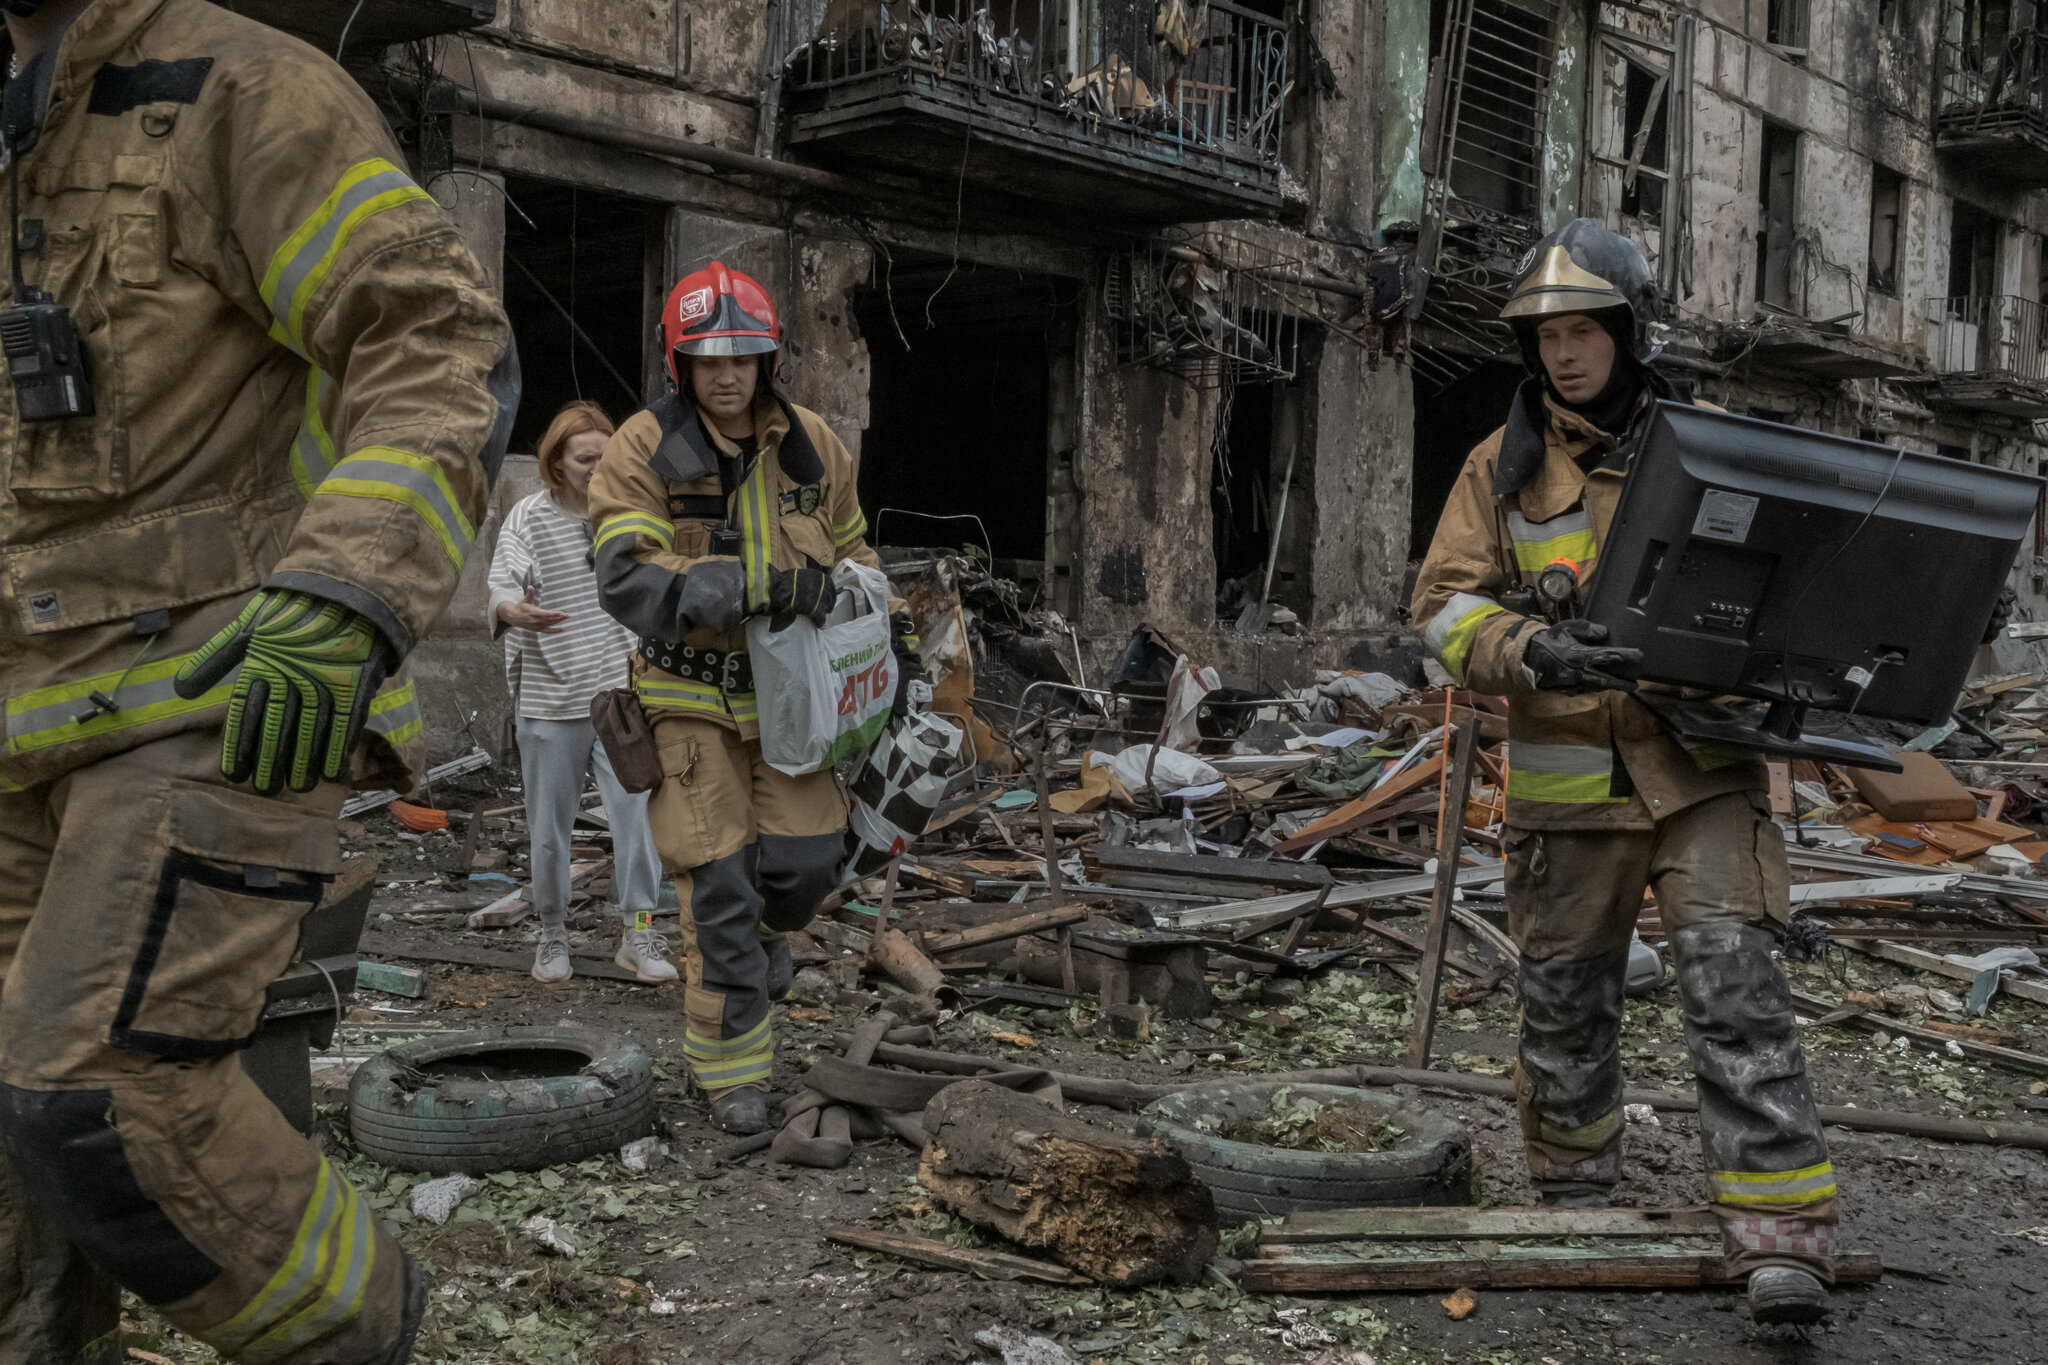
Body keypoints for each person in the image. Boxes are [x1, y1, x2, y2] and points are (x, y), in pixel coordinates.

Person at [0, 0, 514, 1360]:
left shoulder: (244, 89)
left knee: (98, 1099)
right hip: (21, 726)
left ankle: (372, 1335)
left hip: (223, 687)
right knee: (11, 1164)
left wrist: (348, 590)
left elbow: (438, 342)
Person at [1410, 220, 1838, 1326]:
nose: (1562, 352)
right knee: (1562, 1007)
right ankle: (1572, 1200)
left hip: (1701, 771)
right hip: (1567, 783)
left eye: (1583, 328)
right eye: (1545, 333)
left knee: (1736, 991)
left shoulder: (1712, 445)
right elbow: (1440, 611)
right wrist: (1527, 646)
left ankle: (1778, 1238)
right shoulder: (1494, 473)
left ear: (1626, 329)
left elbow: (1798, 585)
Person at [588, 261, 916, 1136]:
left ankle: (773, 939)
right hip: (686, 697)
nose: (726, 374)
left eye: (743, 357)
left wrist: (895, 627)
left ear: (769, 362)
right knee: (718, 883)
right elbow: (625, 575)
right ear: (680, 365)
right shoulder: (639, 449)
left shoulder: (816, 443)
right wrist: (755, 586)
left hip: (795, 704)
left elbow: (855, 553)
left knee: (807, 869)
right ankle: (732, 1070)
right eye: (707, 360)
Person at [490, 402, 674, 986]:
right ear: (557, 462)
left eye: (605, 456)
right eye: (584, 457)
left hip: (620, 696)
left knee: (639, 825)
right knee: (549, 834)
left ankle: (639, 931)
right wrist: (511, 609)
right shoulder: (528, 517)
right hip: (549, 697)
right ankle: (551, 934)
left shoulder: (628, 513)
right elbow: (500, 580)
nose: (597, 468)